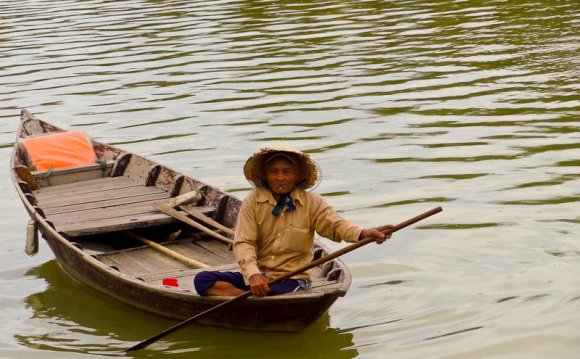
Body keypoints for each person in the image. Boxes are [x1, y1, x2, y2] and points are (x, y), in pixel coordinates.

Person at [194, 146, 393, 297]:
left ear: (297, 176)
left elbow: (336, 226)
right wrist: (254, 274)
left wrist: (364, 233)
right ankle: (252, 300)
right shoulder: (253, 201)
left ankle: (252, 302)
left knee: (277, 291)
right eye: (274, 172)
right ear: (265, 176)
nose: (280, 177)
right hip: (259, 279)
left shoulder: (312, 203)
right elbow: (244, 242)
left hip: (292, 280)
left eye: (287, 172)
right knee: (202, 280)